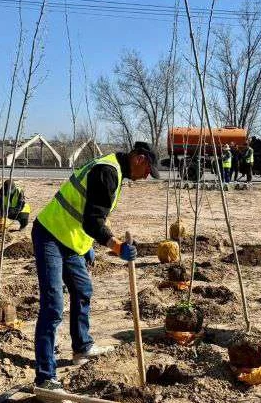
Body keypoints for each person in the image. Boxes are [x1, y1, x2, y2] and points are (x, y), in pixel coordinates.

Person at [31, 141, 158, 390]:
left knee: (82, 290)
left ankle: (82, 347)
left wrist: (87, 244)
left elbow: (86, 210)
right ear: (140, 159)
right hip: (50, 235)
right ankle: (45, 376)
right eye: (148, 170)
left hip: (72, 240)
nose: (146, 177)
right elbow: (92, 221)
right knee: (53, 306)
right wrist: (117, 246)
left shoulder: (115, 169)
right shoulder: (108, 171)